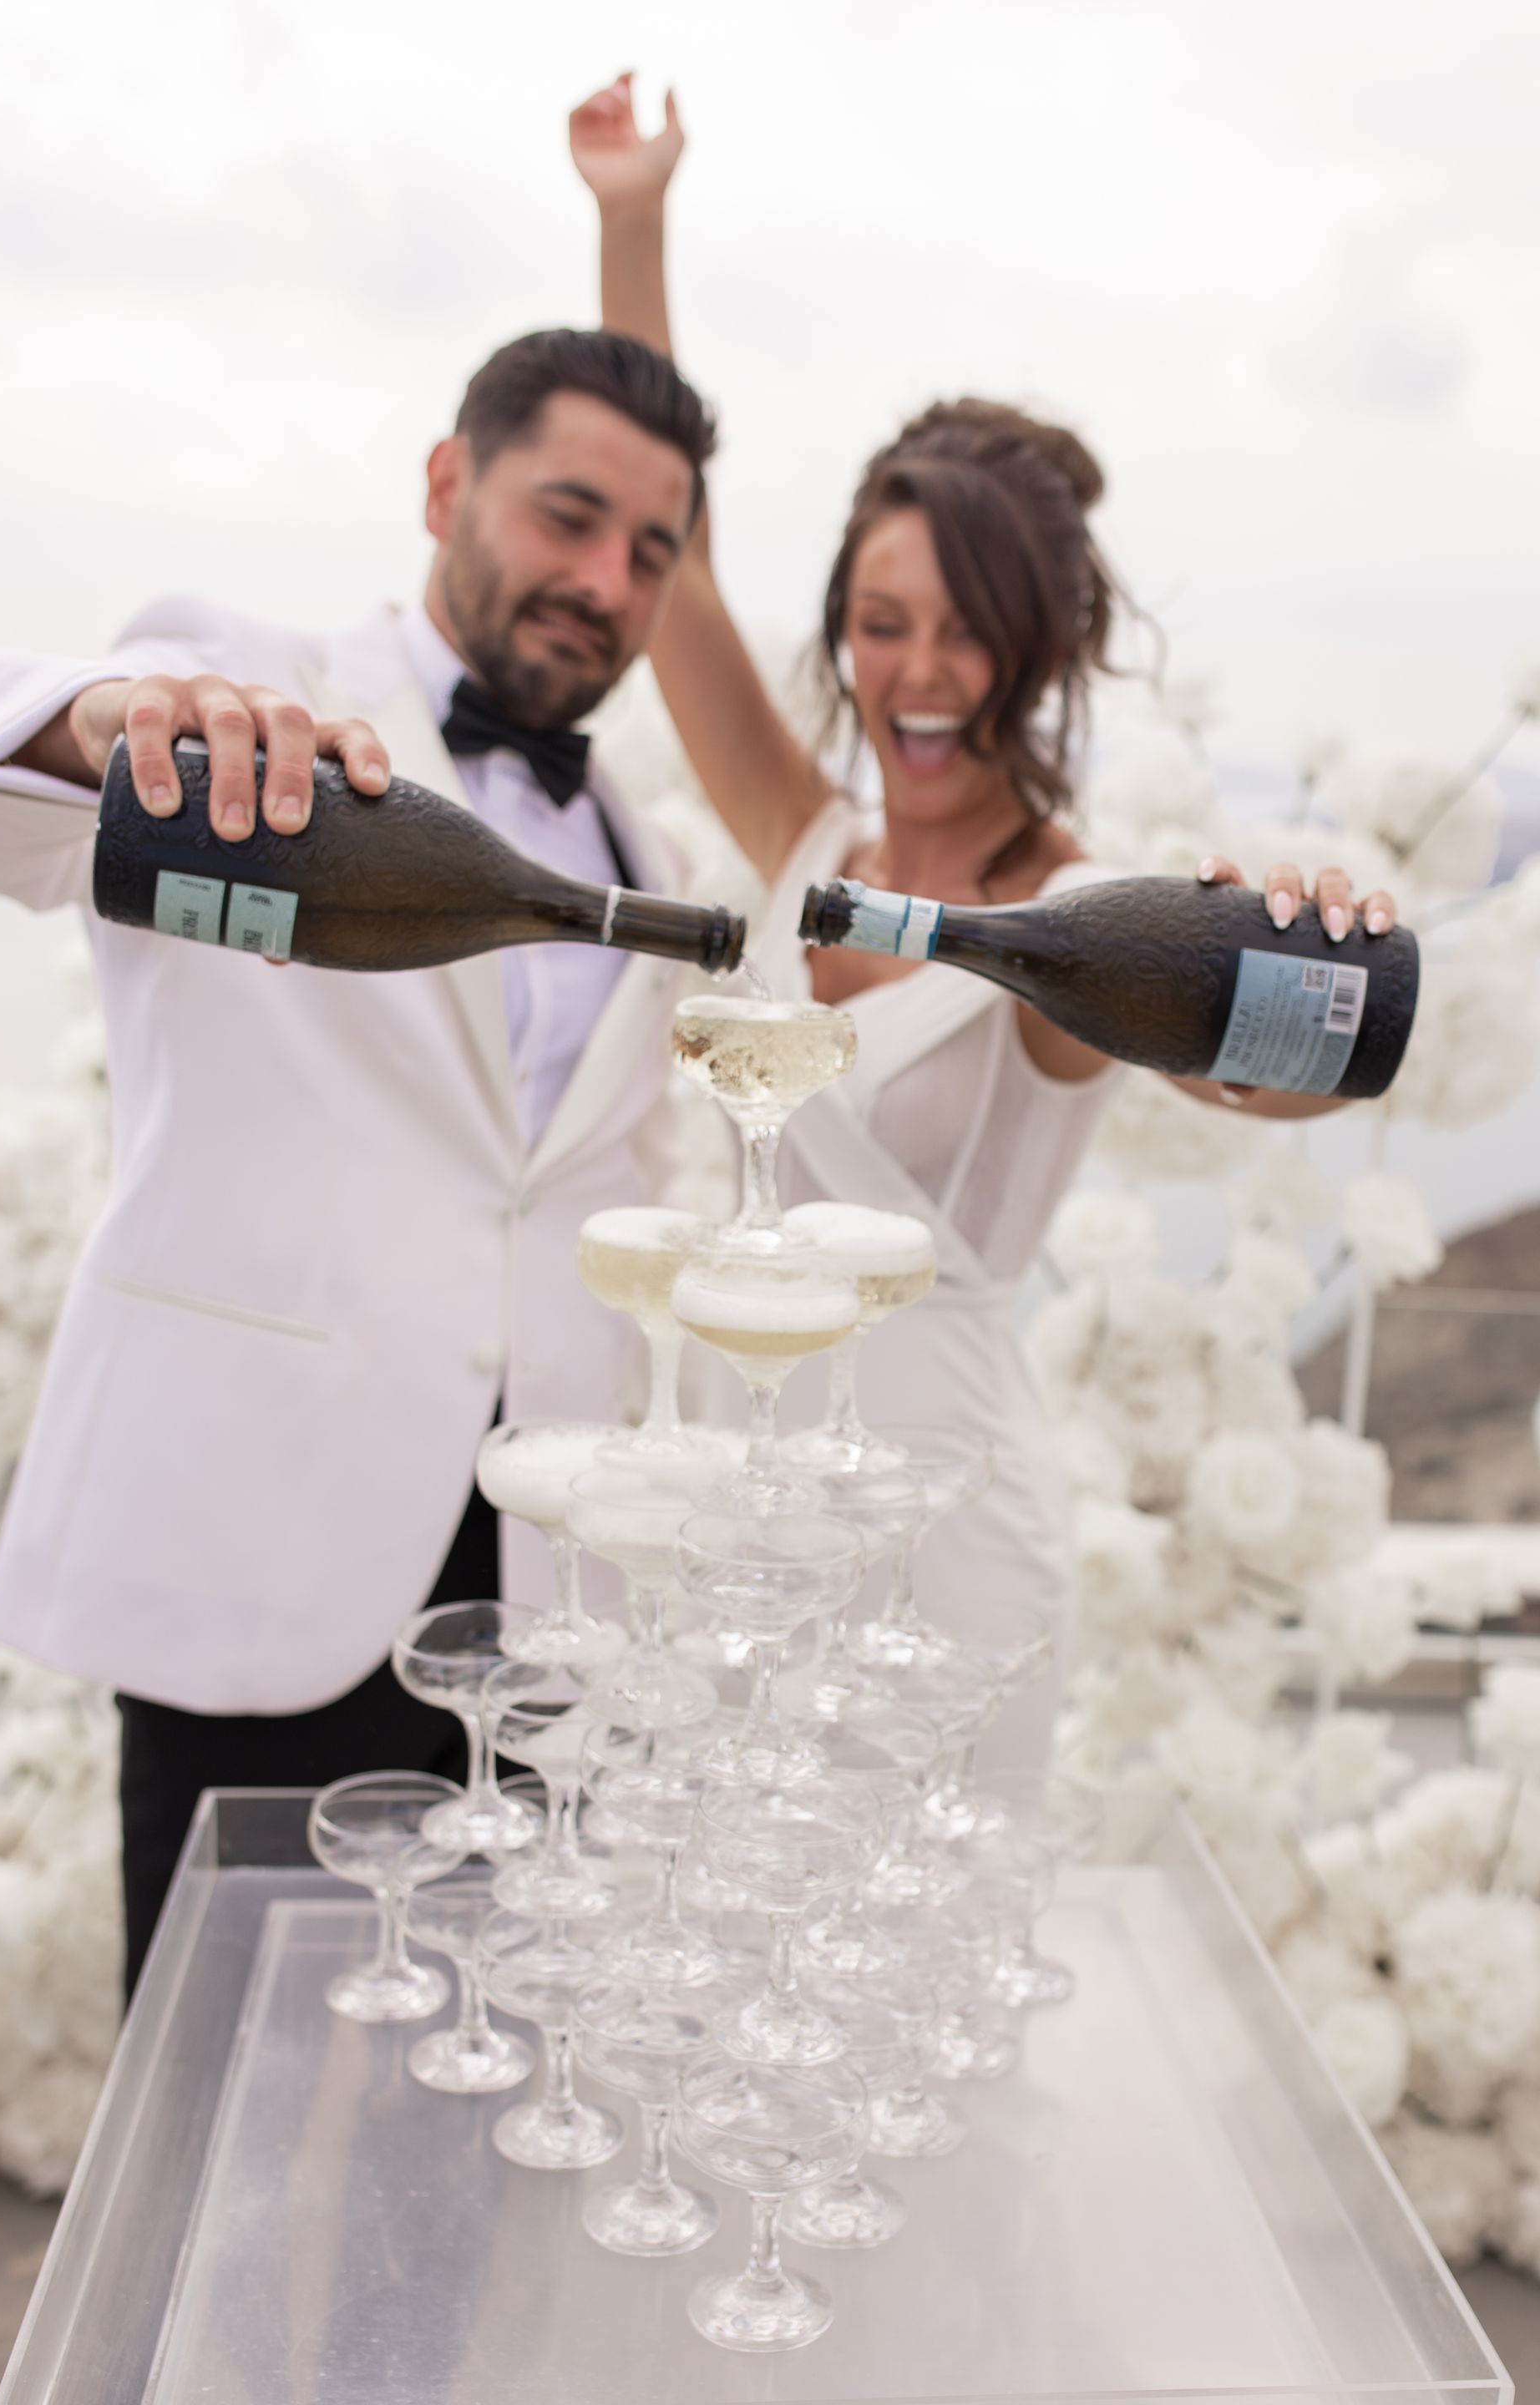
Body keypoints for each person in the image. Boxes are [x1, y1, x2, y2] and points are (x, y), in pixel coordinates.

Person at [569, 77, 1400, 1758]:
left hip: (944, 1537)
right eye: (882, 625)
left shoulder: (1078, 921)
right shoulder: (805, 840)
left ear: (1039, 649)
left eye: (966, 631)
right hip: (739, 1505)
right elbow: (680, 574)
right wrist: (632, 218)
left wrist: (1324, 987)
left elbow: (1249, 1080)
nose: (921, 674)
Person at [0, 327, 719, 1992]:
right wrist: (112, 721)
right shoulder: (251, 690)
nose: (605, 581)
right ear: (447, 485)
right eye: (569, 515)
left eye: (650, 552)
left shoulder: (644, 846)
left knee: (499, 2073)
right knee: (230, 2070)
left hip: (541, 1596)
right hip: (262, 1533)